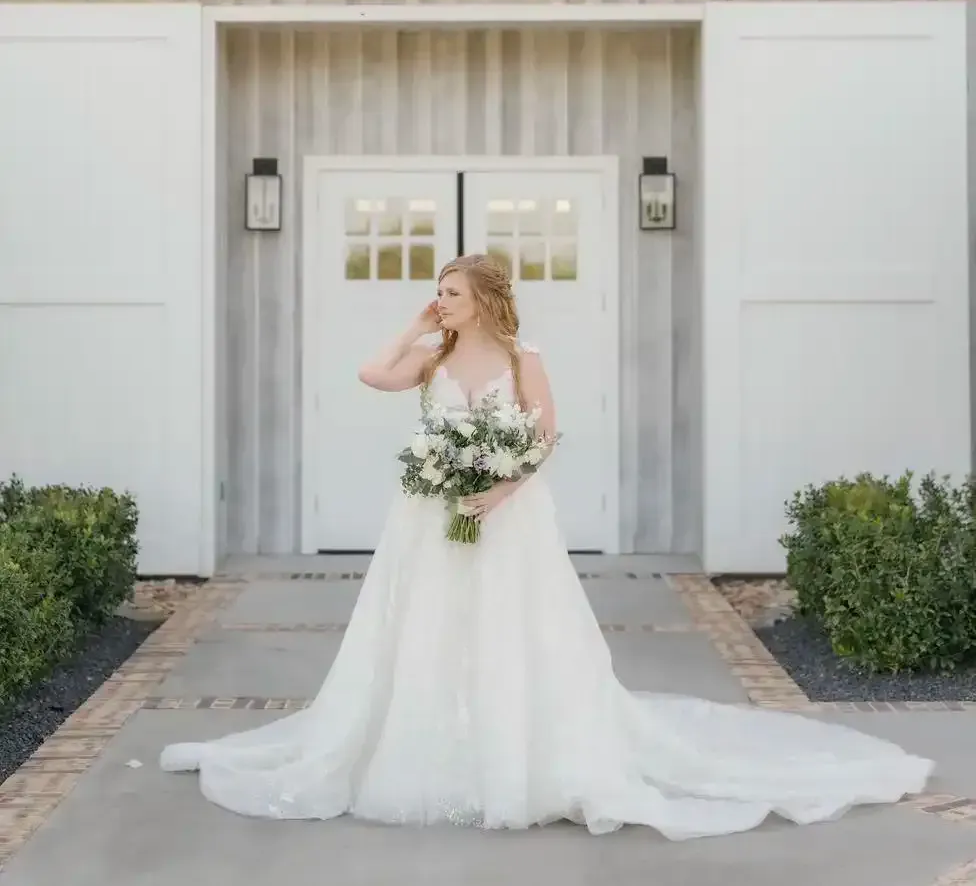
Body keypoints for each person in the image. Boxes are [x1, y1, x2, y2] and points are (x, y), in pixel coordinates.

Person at [160, 254, 933, 838]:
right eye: (439, 291)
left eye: (451, 293)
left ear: (486, 300)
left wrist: (497, 490)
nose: (441, 300)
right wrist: (413, 325)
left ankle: (518, 754)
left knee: (510, 627)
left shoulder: (524, 358)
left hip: (507, 515)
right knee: (426, 625)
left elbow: (544, 433)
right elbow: (371, 374)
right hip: (429, 517)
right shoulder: (431, 355)